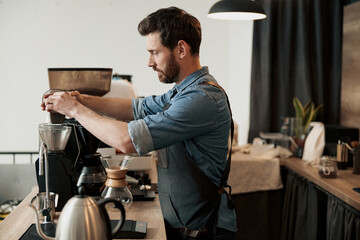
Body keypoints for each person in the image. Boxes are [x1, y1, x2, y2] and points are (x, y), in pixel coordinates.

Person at [41, 6, 236, 240]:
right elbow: (135, 107)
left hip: (202, 232)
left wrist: (74, 109)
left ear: (181, 49)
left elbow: (127, 140)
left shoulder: (201, 99)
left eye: (155, 52)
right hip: (184, 228)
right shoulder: (182, 92)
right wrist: (83, 100)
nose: (149, 62)